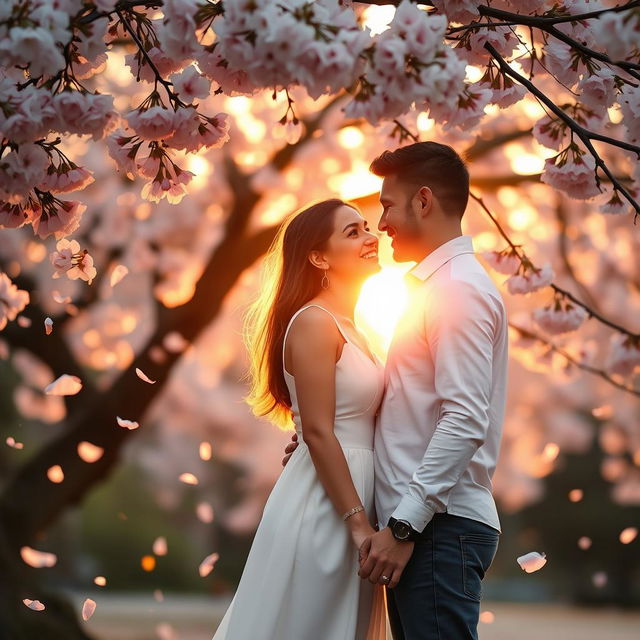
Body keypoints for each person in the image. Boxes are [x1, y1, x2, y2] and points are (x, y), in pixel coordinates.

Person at [284, 142, 508, 640]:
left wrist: (405, 526)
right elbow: (412, 406)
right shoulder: (431, 289)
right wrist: (327, 438)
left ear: (423, 201)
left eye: (386, 206)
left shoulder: (456, 291)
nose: (380, 225)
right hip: (425, 527)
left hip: (435, 528)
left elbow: (465, 418)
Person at [212, 199, 389, 640]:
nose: (372, 238)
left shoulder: (357, 329)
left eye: (367, 227)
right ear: (318, 256)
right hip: (329, 506)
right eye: (353, 232)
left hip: (358, 491)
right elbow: (316, 430)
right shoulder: (314, 321)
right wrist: (356, 523)